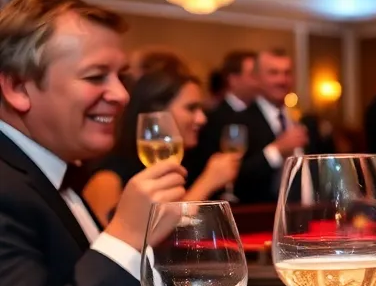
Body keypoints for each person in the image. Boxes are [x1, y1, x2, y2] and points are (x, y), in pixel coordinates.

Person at [0, 0, 188, 286]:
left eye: (121, 76)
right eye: (95, 76)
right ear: (17, 87)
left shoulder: (52, 173)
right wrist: (125, 235)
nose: (120, 95)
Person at [81, 69, 241, 224]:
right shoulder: (108, 176)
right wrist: (207, 183)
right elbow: (114, 244)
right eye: (191, 108)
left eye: (201, 109)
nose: (201, 119)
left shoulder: (190, 161)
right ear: (156, 114)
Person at [232, 49, 332, 204]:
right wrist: (276, 151)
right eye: (273, 73)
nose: (282, 80)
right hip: (264, 218)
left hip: (311, 214)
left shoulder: (304, 120)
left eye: (287, 73)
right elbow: (235, 180)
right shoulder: (240, 121)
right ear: (257, 78)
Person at [183, 50, 257, 184]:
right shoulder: (214, 118)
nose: (259, 80)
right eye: (253, 74)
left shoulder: (259, 113)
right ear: (233, 79)